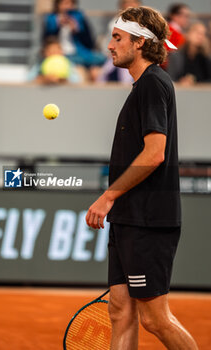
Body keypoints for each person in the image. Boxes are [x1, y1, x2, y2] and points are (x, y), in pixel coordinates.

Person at [86, 6, 199, 350]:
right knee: (121, 311)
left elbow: (154, 154)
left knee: (154, 318)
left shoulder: (152, 83)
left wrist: (107, 197)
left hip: (149, 219)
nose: (110, 45)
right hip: (129, 217)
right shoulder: (142, 86)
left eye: (117, 38)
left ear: (139, 43)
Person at [44, 0, 106, 71]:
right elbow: (47, 41)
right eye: (66, 3)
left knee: (102, 59)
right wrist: (57, 26)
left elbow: (90, 42)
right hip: (61, 55)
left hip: (79, 53)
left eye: (71, 4)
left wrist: (77, 30)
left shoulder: (79, 17)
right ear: (58, 5)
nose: (69, 7)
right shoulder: (51, 19)